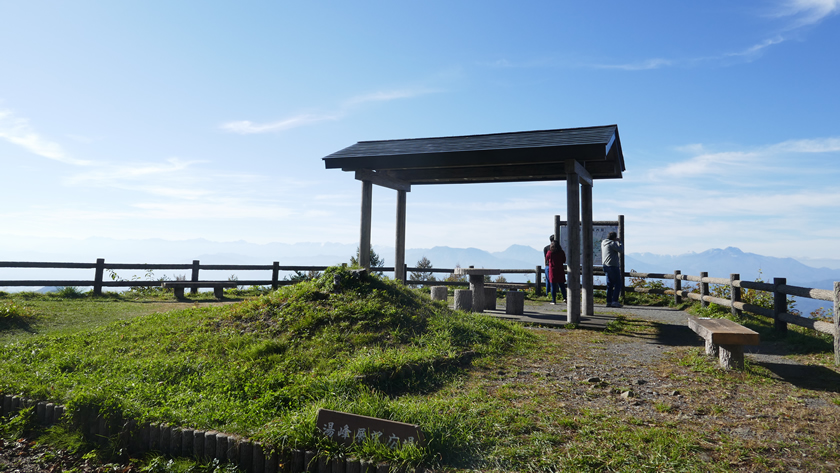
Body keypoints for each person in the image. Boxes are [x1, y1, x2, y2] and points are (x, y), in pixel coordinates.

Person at [601, 231, 623, 308]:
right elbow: (620, 250)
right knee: (618, 284)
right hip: (613, 266)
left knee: (609, 284)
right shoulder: (612, 243)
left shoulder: (603, 243)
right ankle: (615, 301)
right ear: (614, 237)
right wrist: (620, 242)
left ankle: (609, 301)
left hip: (605, 266)